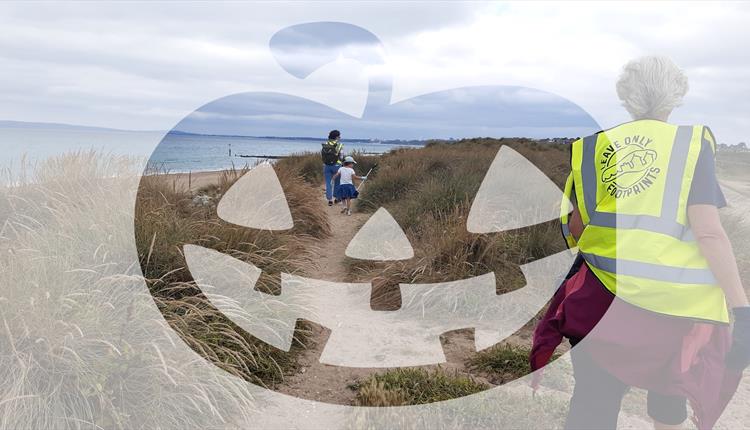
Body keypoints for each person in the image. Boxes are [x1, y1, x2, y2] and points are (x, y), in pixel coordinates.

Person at [530, 56, 750, 430]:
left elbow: (577, 227)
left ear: (625, 96)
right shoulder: (690, 144)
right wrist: (741, 308)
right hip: (675, 308)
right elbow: (709, 232)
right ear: (676, 96)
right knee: (667, 401)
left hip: (601, 300)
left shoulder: (593, 147)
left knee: (592, 404)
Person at [322, 129, 344, 206]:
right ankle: (337, 198)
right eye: (339, 136)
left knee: (328, 182)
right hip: (337, 166)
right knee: (337, 182)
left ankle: (330, 200)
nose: (340, 138)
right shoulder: (340, 145)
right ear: (337, 137)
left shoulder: (325, 144)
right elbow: (341, 157)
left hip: (326, 165)